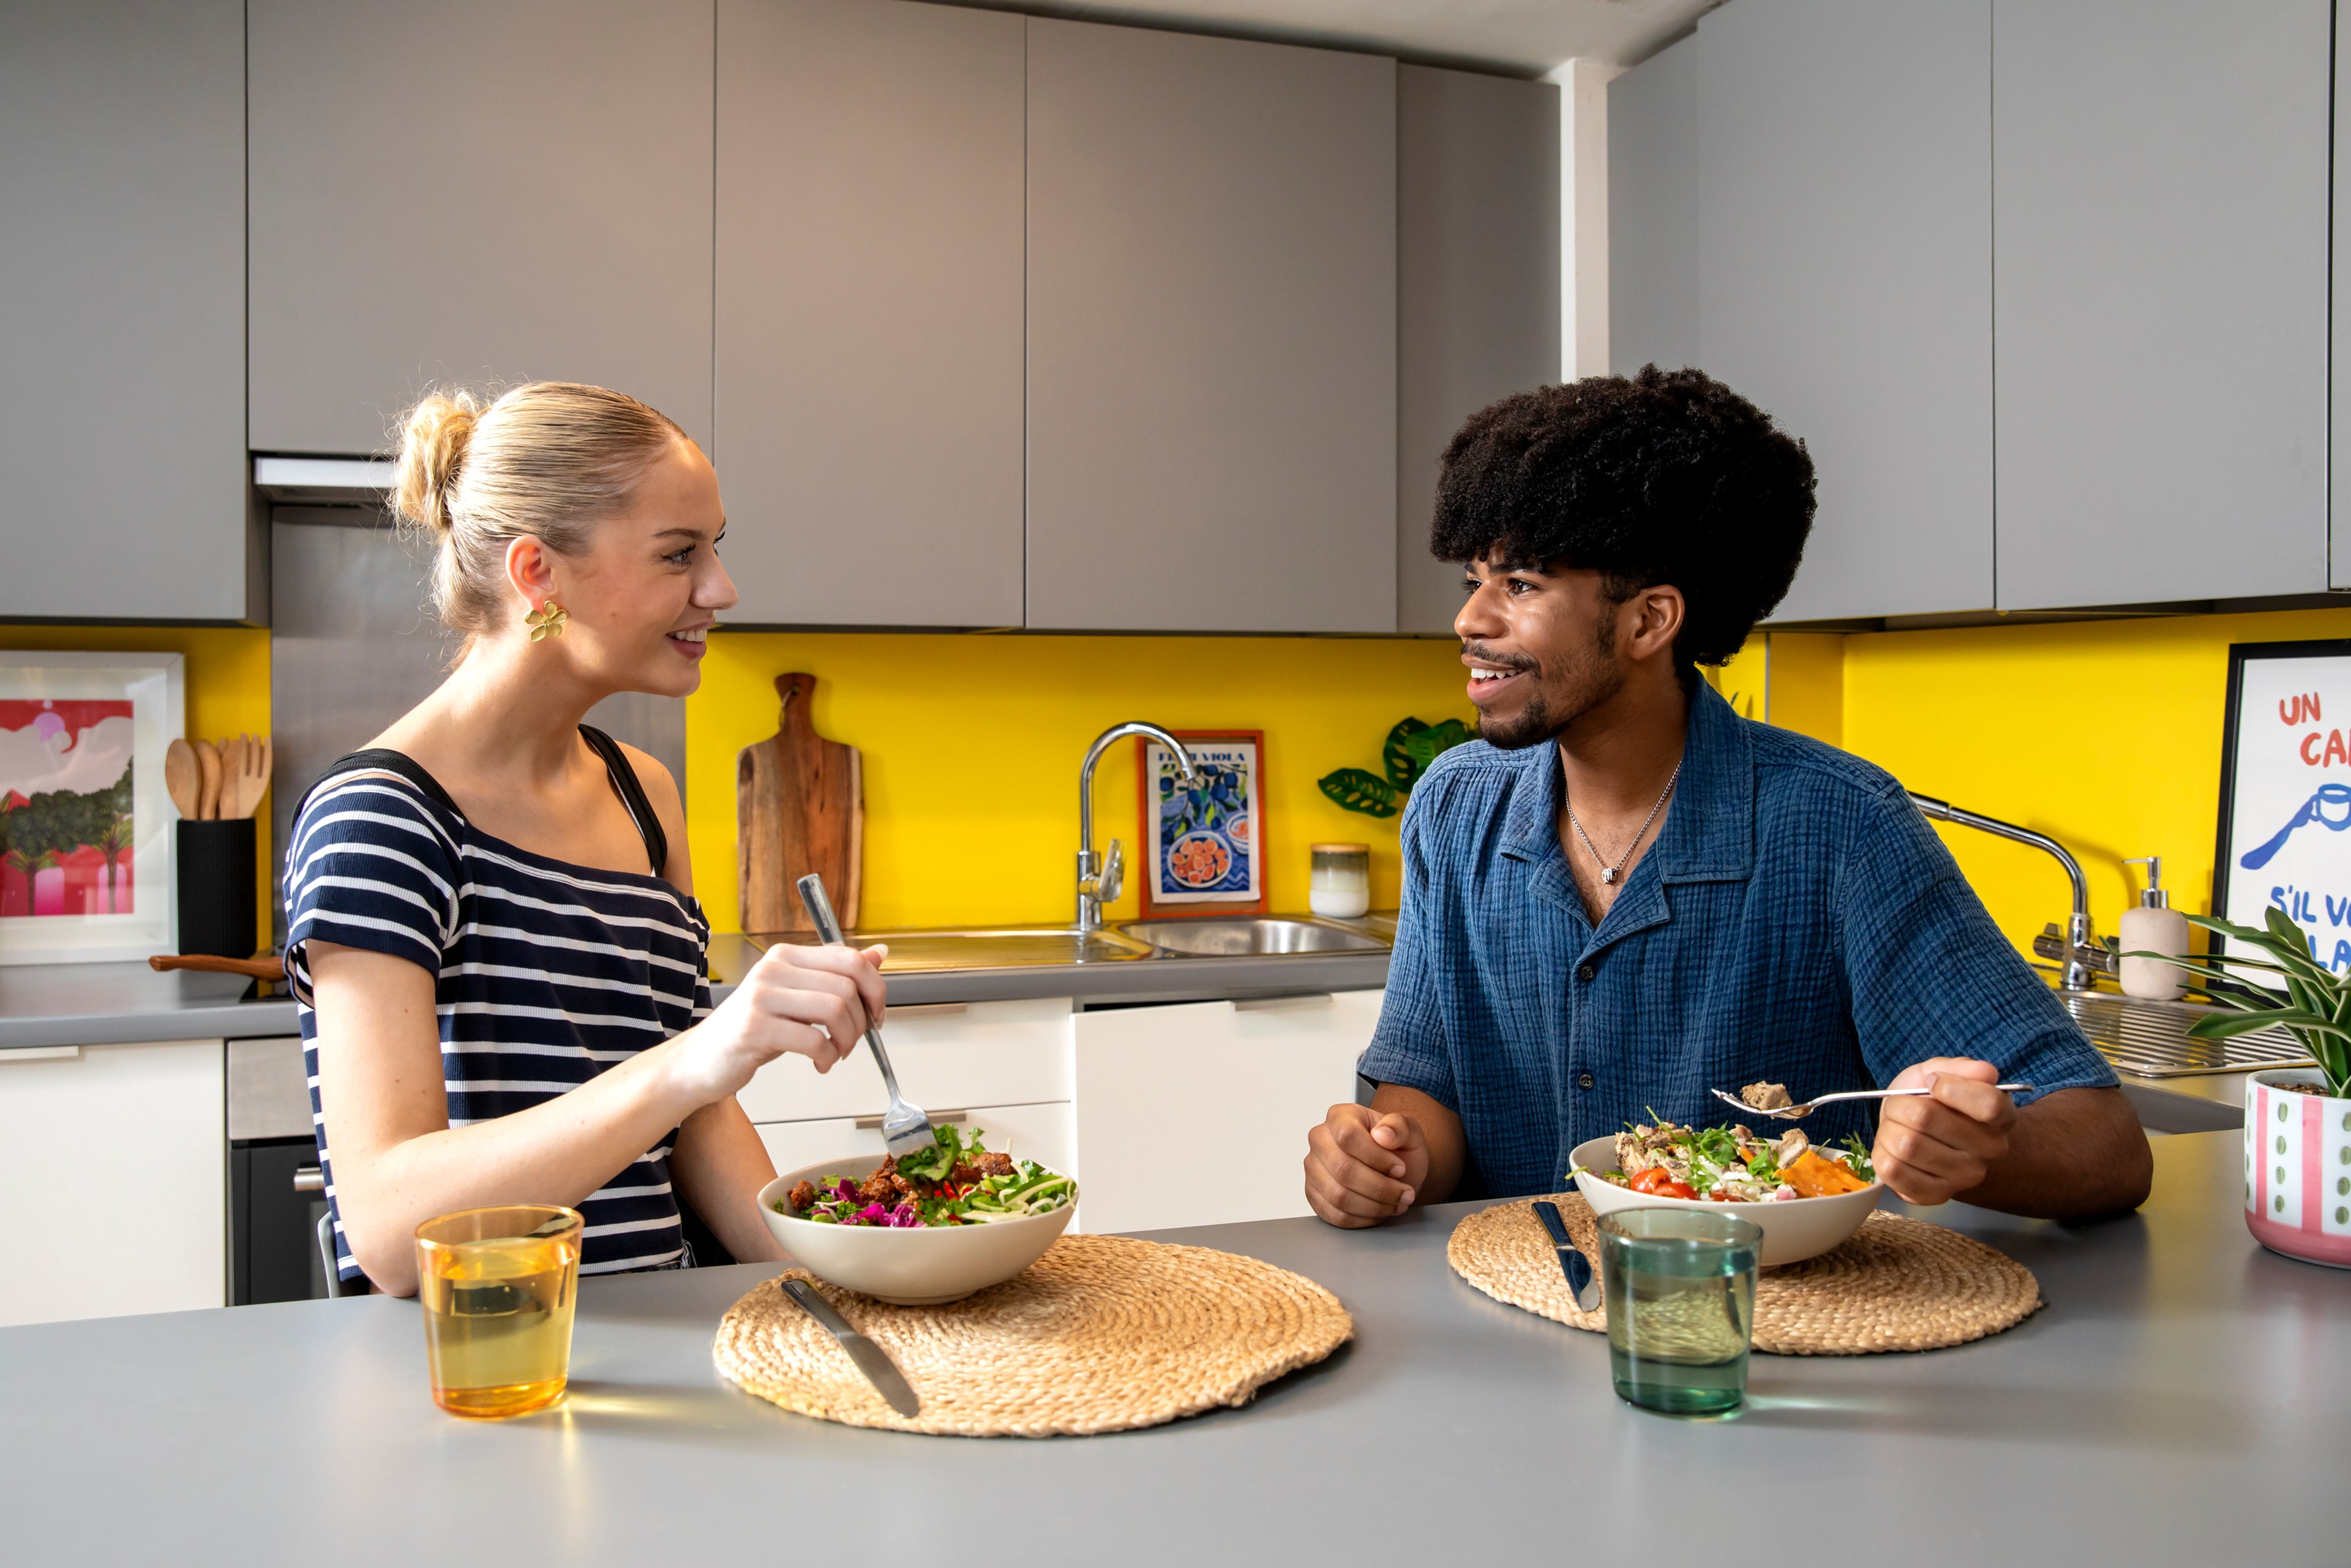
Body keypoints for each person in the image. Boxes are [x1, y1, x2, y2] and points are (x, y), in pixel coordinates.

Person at [1305, 368, 2151, 1228]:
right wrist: (1391, 1156)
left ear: (1649, 621)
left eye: (1520, 585)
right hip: (1503, 1290)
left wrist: (1980, 1148)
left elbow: (2107, 1142)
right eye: (1474, 581)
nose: (1470, 619)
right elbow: (1426, 1088)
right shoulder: (1454, 807)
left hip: (1767, 1305)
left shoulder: (1841, 826)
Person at [287, 381, 885, 1294]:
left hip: (669, 1341)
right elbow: (389, 1229)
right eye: (678, 554)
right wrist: (692, 1060)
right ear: (538, 573)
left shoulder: (644, 797)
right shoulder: (383, 820)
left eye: (715, 547)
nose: (720, 589)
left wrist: (831, 1297)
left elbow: (699, 1117)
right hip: (485, 1360)